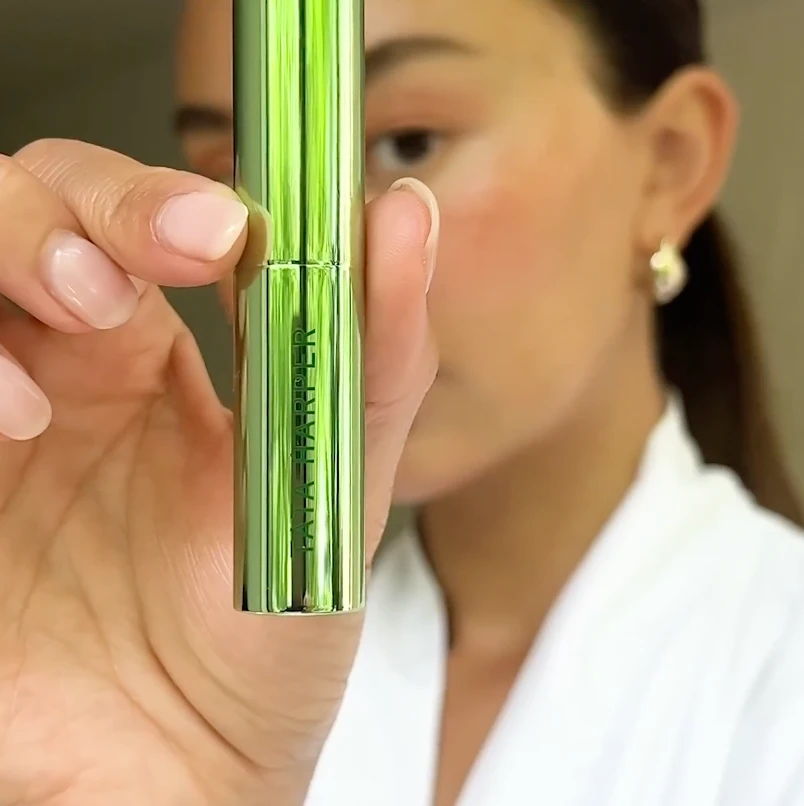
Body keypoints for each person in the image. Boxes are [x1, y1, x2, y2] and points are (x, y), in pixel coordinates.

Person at [0, 0, 802, 803]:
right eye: (238, 179)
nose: (341, 262)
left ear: (670, 163)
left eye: (410, 142)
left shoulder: (772, 666)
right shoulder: (218, 673)